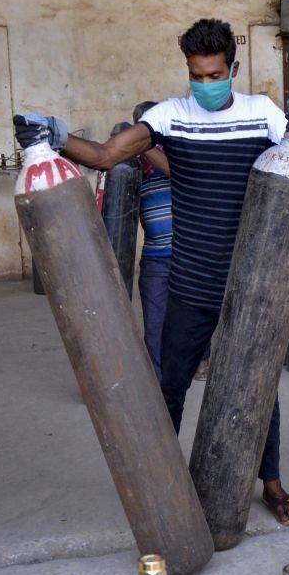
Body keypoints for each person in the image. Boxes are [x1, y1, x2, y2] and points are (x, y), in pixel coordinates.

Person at [15, 18, 289, 526]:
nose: (205, 84)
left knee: (258, 384)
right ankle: (164, 483)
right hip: (189, 280)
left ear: (234, 69)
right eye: (196, 75)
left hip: (250, 282)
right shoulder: (170, 116)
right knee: (171, 385)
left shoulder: (261, 113)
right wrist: (56, 134)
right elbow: (108, 154)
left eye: (215, 74)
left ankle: (270, 483)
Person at [132, 100, 172, 381]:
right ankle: (159, 380)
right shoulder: (133, 165)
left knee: (194, 316)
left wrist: (140, 143)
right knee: (156, 322)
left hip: (189, 255)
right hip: (155, 258)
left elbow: (173, 170)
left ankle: (201, 359)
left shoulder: (176, 151)